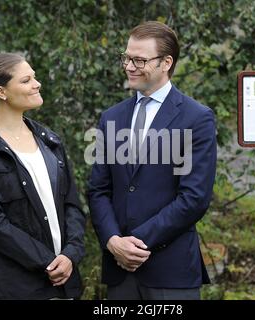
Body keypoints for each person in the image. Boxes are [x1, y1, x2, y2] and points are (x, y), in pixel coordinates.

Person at [88, 21, 217, 300]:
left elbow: (194, 198)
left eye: (139, 60)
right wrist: (113, 241)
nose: (130, 66)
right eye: (127, 58)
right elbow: (98, 189)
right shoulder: (111, 117)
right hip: (120, 273)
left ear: (166, 63)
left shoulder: (196, 118)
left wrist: (136, 244)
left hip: (171, 273)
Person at [0, 53, 86, 300]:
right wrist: (48, 261)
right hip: (16, 286)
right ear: (1, 92)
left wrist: (70, 255)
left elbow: (72, 205)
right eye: (26, 80)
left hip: (66, 283)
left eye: (34, 77)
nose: (37, 84)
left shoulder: (50, 141)